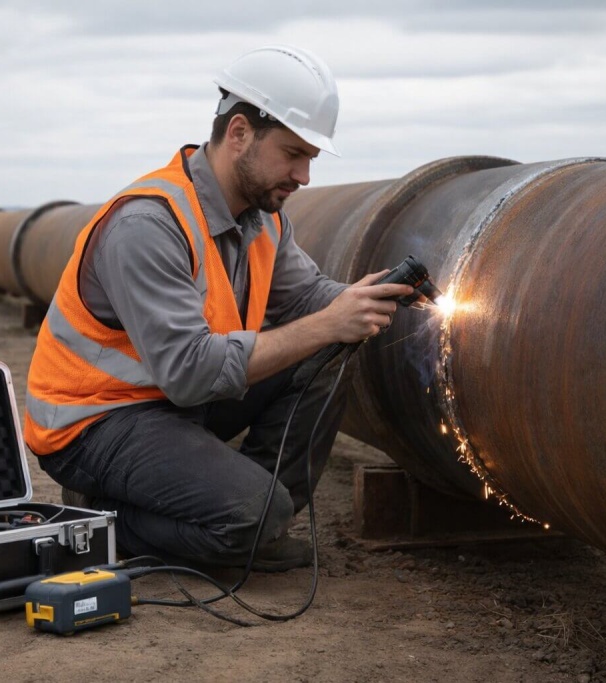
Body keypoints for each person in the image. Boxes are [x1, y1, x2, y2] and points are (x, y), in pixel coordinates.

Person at [23, 45, 414, 571]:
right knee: (254, 508)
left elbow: (307, 298)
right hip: (96, 420)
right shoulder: (148, 225)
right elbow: (190, 372)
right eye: (293, 154)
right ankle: (107, 515)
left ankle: (255, 523)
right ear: (238, 134)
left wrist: (369, 297)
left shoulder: (262, 216)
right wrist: (327, 321)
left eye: (310, 160)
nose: (303, 176)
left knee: (328, 349)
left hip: (167, 403)